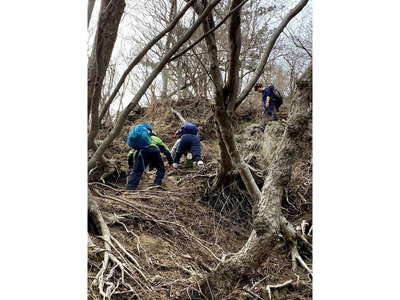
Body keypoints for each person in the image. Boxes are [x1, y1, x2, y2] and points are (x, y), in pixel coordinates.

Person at [126, 124, 170, 190]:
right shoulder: (156, 139)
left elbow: (130, 154)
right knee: (161, 169)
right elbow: (167, 152)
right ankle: (157, 184)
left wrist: (131, 166)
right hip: (154, 151)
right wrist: (171, 162)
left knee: (137, 172)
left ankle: (130, 189)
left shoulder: (138, 143)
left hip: (142, 153)